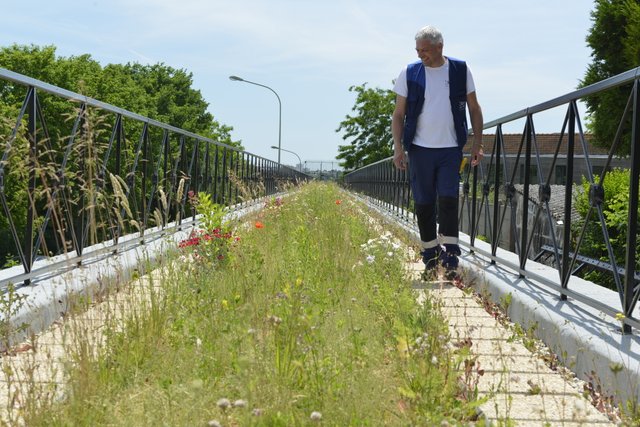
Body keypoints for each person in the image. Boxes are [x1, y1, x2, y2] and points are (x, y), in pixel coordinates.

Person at [391, 25, 484, 280]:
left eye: (425, 50)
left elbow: (474, 108)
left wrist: (477, 143)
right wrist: (398, 147)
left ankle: (450, 259)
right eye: (417, 50)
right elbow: (398, 114)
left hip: (450, 149)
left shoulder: (460, 70)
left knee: (448, 201)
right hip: (419, 149)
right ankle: (431, 259)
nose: (420, 55)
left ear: (440, 47)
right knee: (423, 204)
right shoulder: (409, 72)